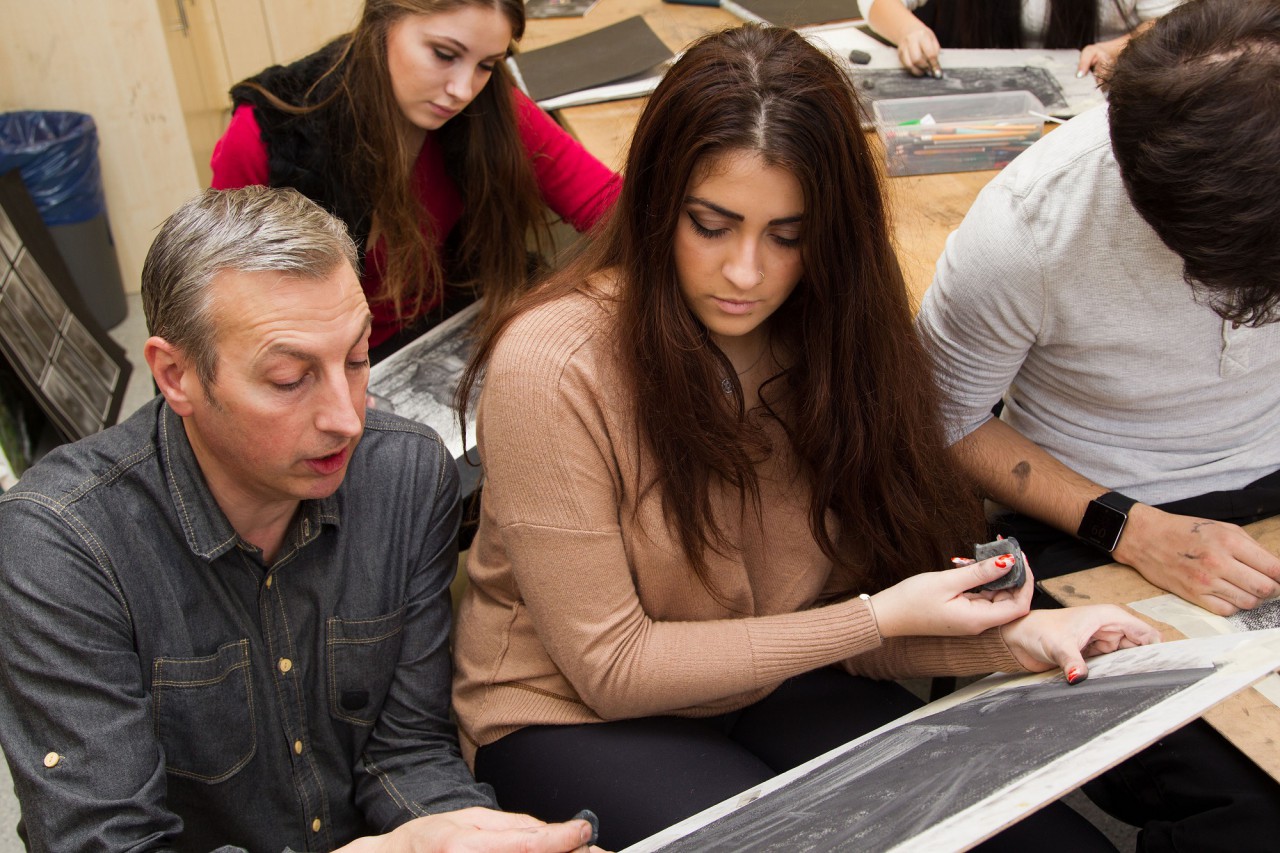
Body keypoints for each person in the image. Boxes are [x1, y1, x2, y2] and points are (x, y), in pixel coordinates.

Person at [449, 24, 1157, 851]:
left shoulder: (833, 341)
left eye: (787, 235)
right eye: (711, 225)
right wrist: (876, 617)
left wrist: (1015, 638)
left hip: (774, 677)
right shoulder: (551, 364)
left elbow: (845, 621)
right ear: (655, 206)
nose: (746, 272)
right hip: (567, 709)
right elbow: (614, 666)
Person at [0, 186, 596, 853]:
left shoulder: (404, 477)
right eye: (290, 378)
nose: (347, 418)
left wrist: (481, 837)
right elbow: (107, 841)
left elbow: (406, 751)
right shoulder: (62, 545)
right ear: (175, 375)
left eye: (357, 359)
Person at [915, 0, 1280, 848]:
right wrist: (1132, 529)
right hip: (1091, 521)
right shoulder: (1033, 227)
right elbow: (940, 420)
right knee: (1253, 810)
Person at [211, 0, 620, 360]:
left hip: (453, 323)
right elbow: (224, 308)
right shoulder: (268, 133)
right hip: (328, 358)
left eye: (486, 64)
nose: (462, 90)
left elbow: (613, 208)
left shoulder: (491, 103)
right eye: (444, 54)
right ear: (383, 18)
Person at [858, 0, 1182, 79]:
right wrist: (909, 31)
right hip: (976, 102)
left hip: (1089, 101)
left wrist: (1115, 49)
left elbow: (1177, 19)